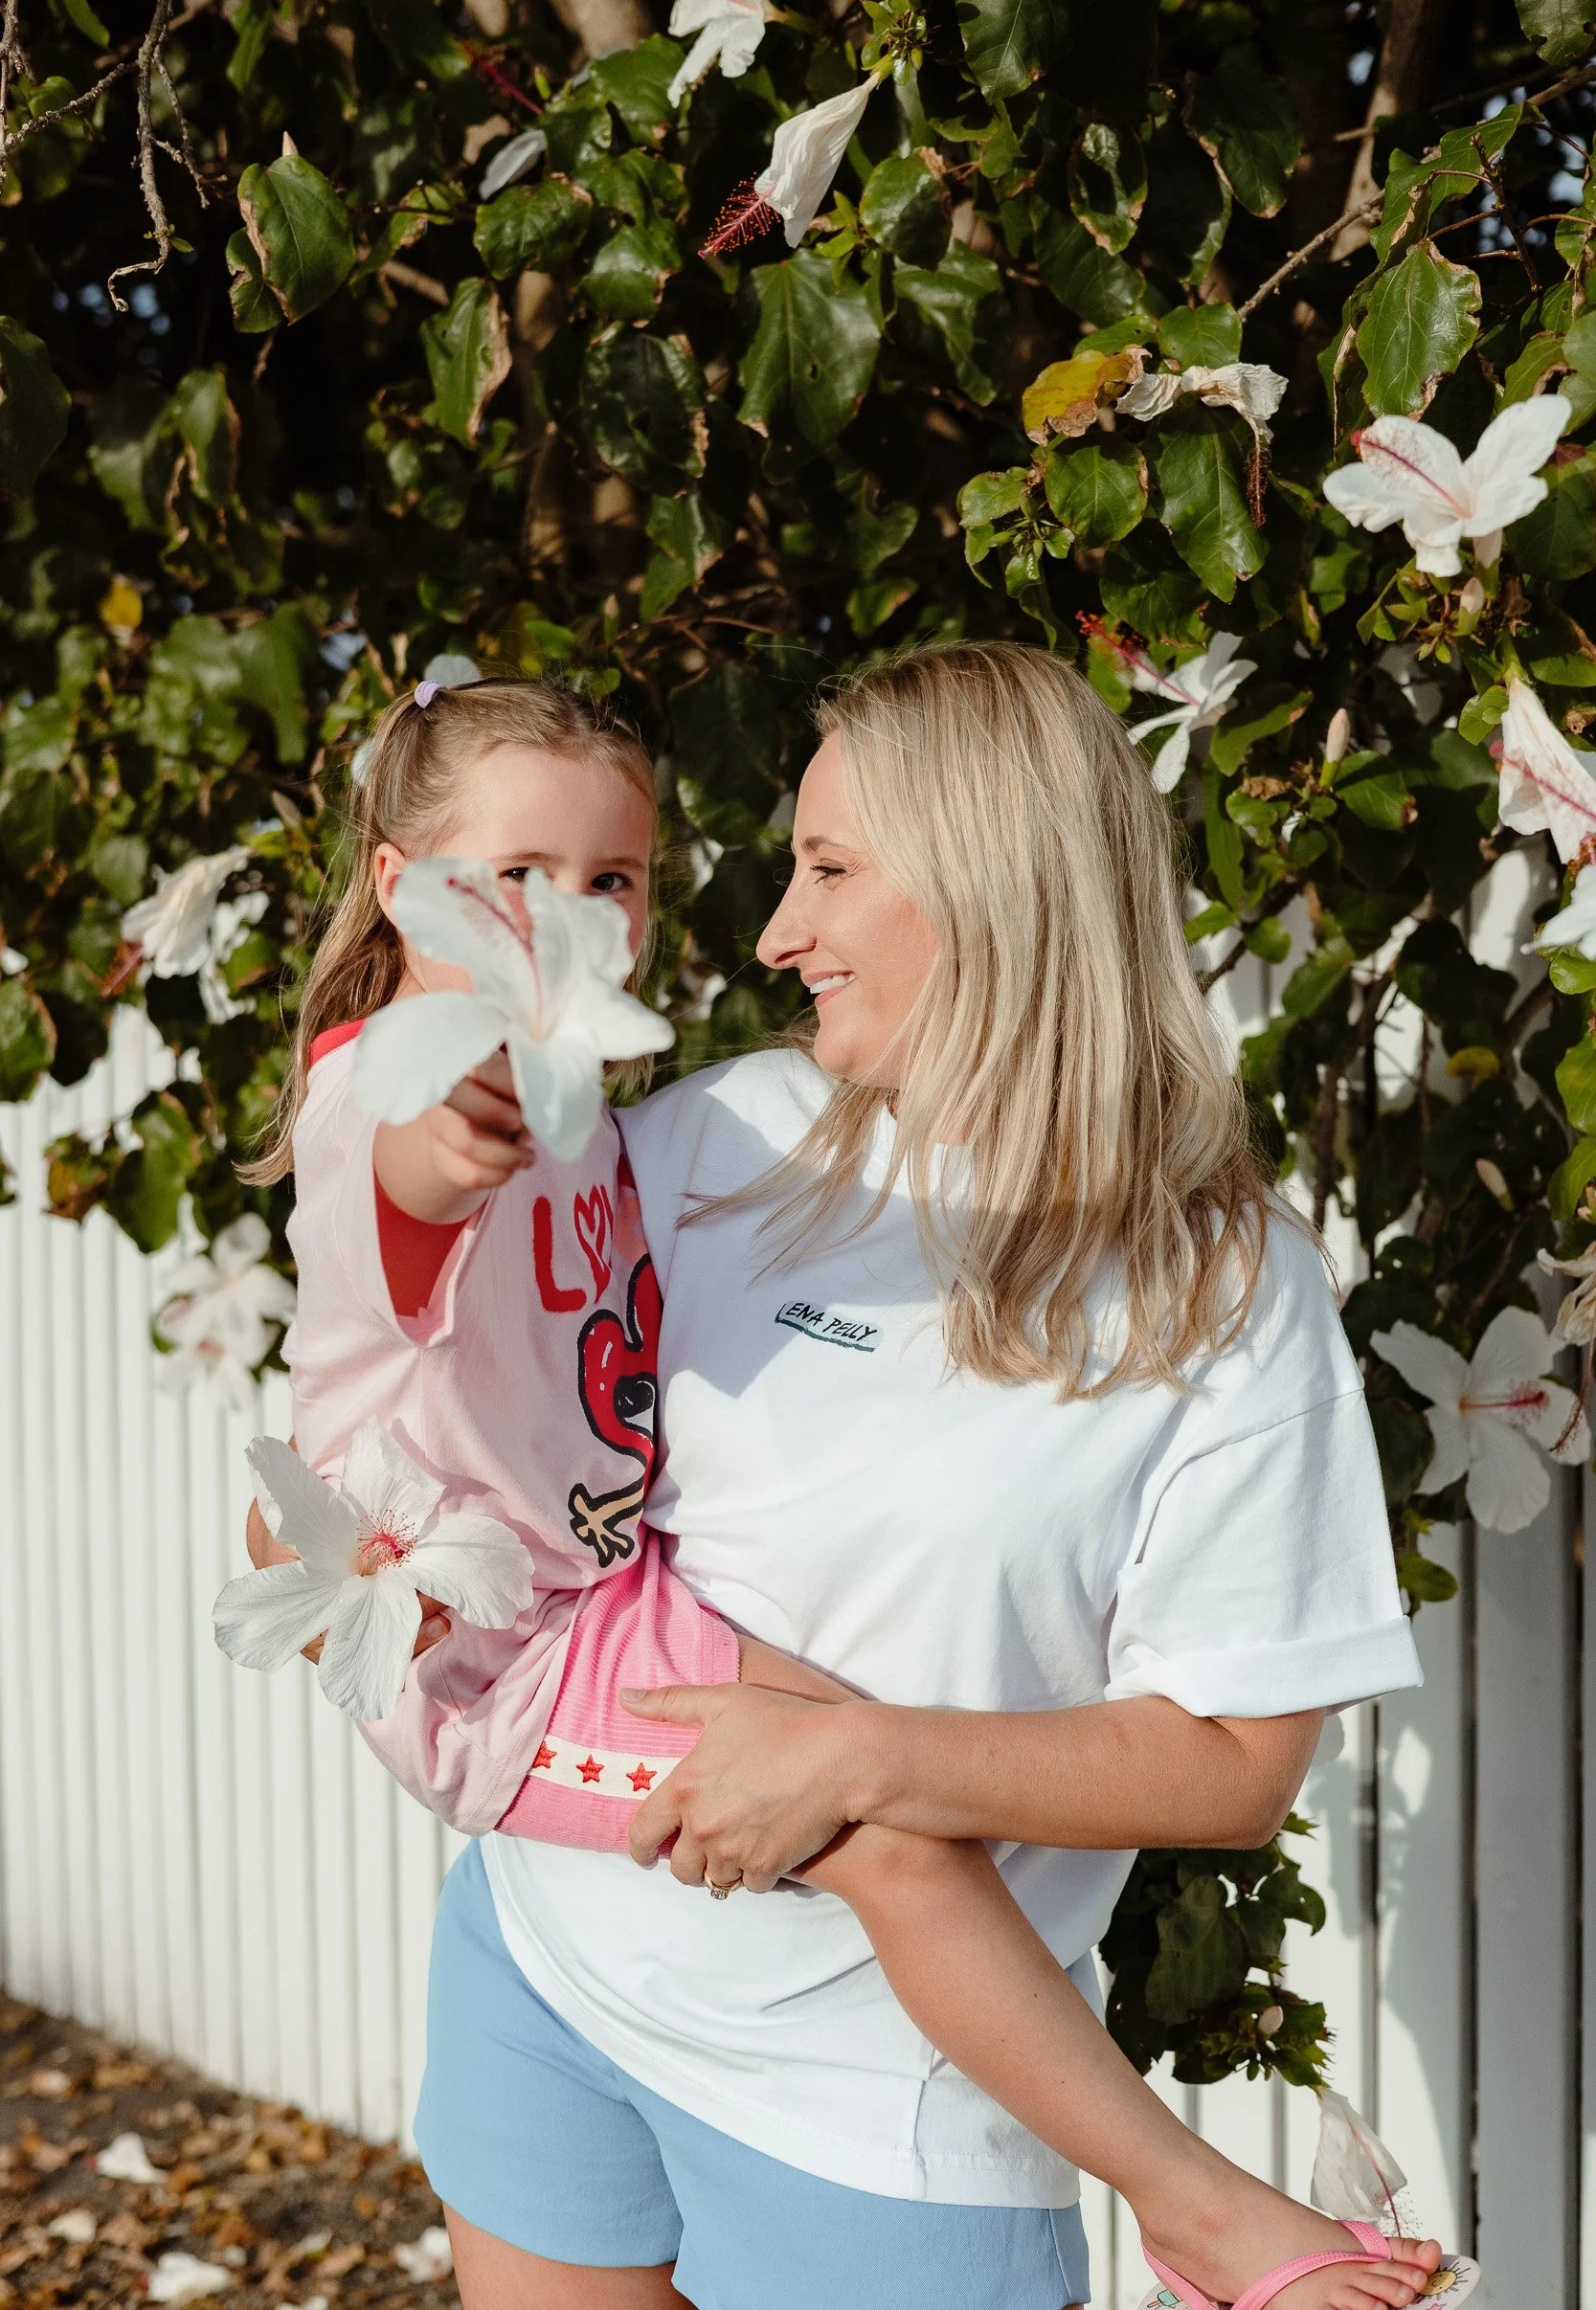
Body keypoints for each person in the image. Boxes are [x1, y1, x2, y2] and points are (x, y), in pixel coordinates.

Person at [247, 655, 1460, 2310]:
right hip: (547, 1975)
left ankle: (1189, 2209)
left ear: (991, 876)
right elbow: (439, 1321)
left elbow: (1235, 1770)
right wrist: (320, 1538)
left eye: (827, 871)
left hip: (871, 2119)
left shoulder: (1223, 1295)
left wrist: (857, 1760)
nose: (769, 934)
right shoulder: (723, 1134)